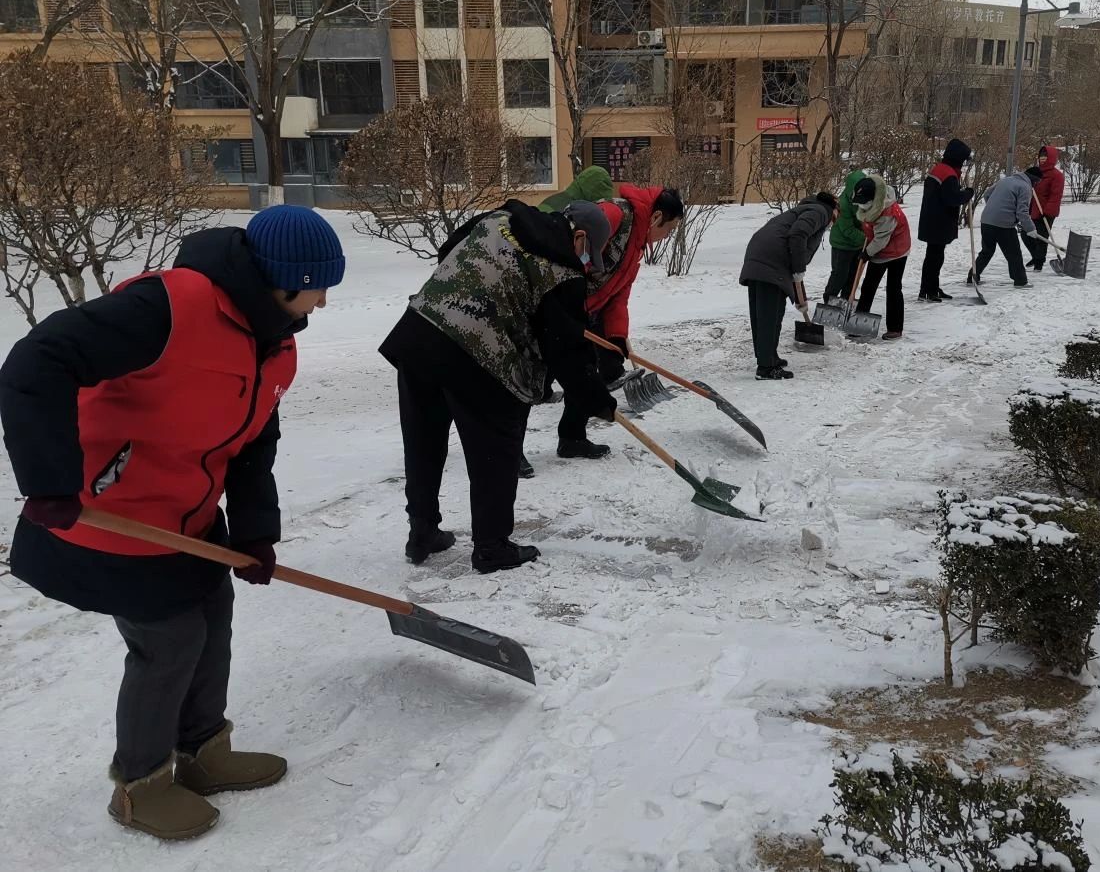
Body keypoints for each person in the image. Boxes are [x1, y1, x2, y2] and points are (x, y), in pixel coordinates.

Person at [0, 207, 346, 841]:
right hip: (111, 515)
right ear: (287, 277)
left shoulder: (275, 343)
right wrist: (49, 481)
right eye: (319, 286)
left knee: (213, 615)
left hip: (186, 517)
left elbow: (251, 446)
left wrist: (253, 533)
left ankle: (201, 751)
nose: (323, 301)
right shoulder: (169, 306)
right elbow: (35, 363)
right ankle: (141, 785)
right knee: (169, 640)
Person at [380, 200, 617, 574]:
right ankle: (491, 547)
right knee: (495, 448)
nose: (586, 263)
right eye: (590, 254)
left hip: (421, 330)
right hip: (475, 349)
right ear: (580, 236)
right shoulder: (560, 266)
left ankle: (422, 532)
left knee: (423, 443)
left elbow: (450, 249)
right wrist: (599, 401)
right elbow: (565, 350)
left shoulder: (502, 217)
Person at [524, 174, 683, 473]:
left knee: (585, 371)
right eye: (670, 229)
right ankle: (509, 450)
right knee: (533, 371)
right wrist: (560, 308)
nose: (668, 235)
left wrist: (617, 336)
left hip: (587, 310)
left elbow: (618, 296)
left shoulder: (637, 243)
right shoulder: (614, 215)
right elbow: (567, 253)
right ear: (657, 216)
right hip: (558, 305)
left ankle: (572, 438)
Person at [739, 192, 838, 379]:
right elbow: (798, 234)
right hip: (772, 258)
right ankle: (766, 368)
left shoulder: (805, 208)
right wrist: (799, 269)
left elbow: (795, 253)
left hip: (759, 253)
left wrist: (800, 296)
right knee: (770, 314)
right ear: (833, 209)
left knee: (763, 313)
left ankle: (768, 357)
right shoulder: (820, 212)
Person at [853, 174, 911, 341]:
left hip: (896, 251)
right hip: (880, 247)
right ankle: (860, 325)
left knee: (893, 288)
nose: (861, 205)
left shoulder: (887, 213)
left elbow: (881, 240)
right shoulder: (872, 203)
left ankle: (895, 328)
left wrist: (866, 253)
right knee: (868, 286)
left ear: (874, 199)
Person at [972, 167, 1050, 288]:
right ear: (1034, 180)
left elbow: (987, 194)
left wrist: (996, 211)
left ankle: (972, 277)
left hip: (986, 220)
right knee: (1014, 254)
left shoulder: (1006, 180)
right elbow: (1022, 212)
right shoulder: (1025, 187)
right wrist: (1030, 229)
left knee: (986, 251)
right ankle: (1020, 281)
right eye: (1037, 182)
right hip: (1004, 226)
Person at [917, 138, 975, 302]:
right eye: (963, 160)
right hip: (938, 222)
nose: (964, 163)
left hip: (932, 220)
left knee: (933, 257)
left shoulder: (939, 169)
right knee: (935, 258)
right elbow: (952, 199)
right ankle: (930, 290)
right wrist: (968, 193)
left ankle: (929, 288)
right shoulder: (948, 175)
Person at [822, 169, 867, 305]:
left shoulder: (864, 199)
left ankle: (846, 299)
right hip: (841, 244)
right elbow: (847, 229)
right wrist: (866, 238)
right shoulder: (843, 204)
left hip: (857, 244)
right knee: (839, 275)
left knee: (853, 275)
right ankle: (829, 299)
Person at [1023, 145, 1065, 271]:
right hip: (1033, 209)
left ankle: (1039, 263)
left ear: (1051, 158)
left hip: (1046, 212)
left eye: (1045, 156)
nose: (1042, 158)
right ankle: (1036, 256)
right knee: (1026, 234)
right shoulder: (1035, 172)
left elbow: (1056, 195)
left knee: (1041, 237)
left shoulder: (1057, 176)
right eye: (1041, 156)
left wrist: (1047, 211)